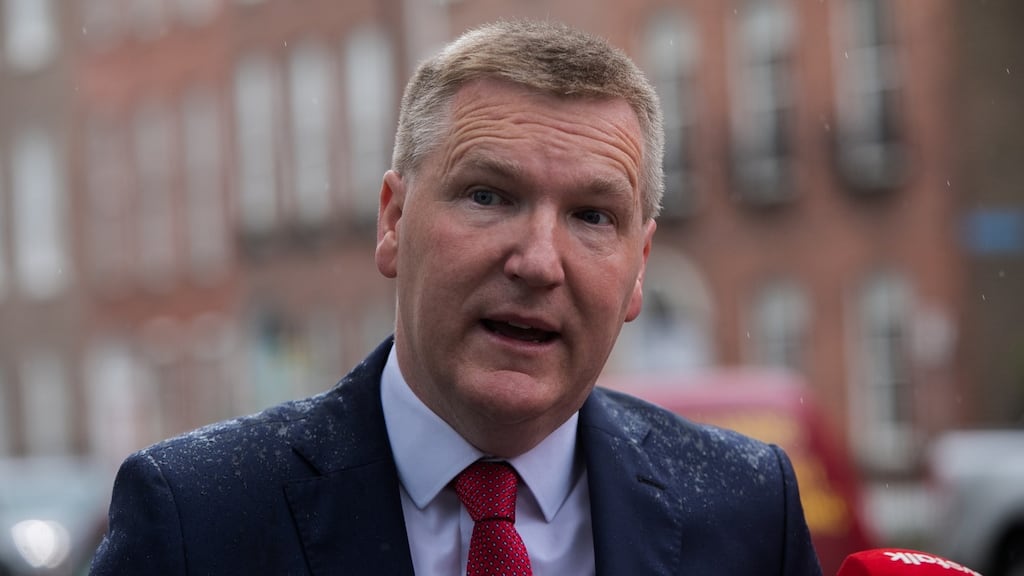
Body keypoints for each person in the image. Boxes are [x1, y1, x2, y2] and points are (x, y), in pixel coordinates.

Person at [91, 19, 822, 575]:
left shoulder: (747, 510)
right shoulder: (198, 518)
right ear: (394, 221)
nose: (538, 262)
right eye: (488, 195)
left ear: (639, 269)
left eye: (592, 216)